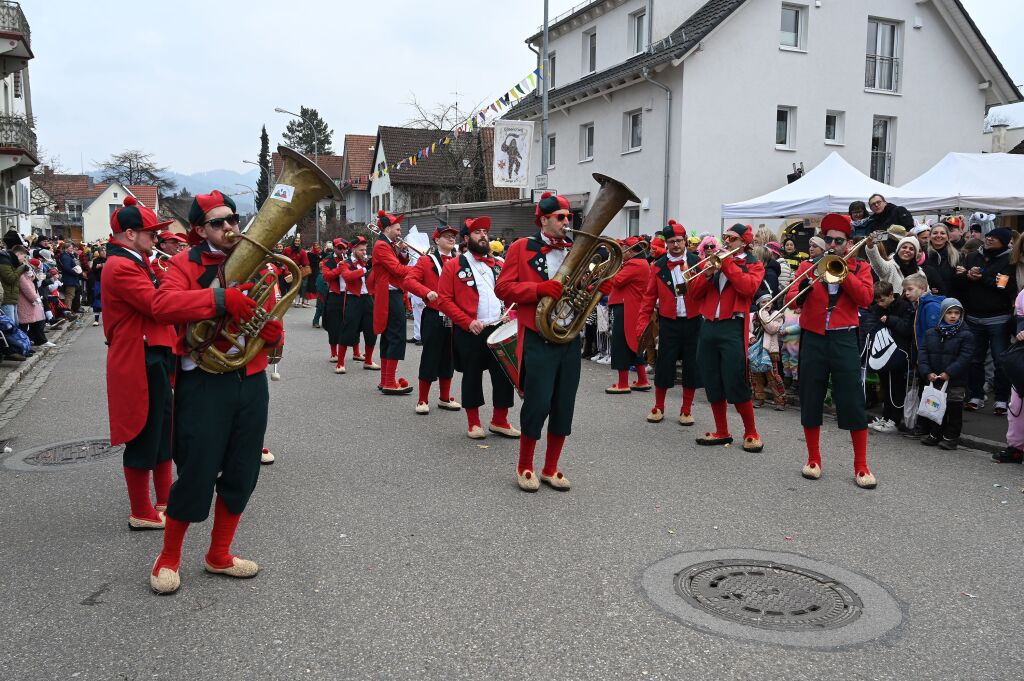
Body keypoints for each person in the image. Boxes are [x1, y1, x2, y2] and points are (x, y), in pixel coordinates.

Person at [148, 190, 279, 595]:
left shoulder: (258, 263)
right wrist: (220, 298)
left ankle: (219, 554)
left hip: (250, 379)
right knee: (198, 470)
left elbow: (268, 309)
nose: (229, 227)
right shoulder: (183, 263)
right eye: (219, 222)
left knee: (243, 470)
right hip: (204, 381)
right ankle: (168, 556)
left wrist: (272, 334)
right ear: (199, 230)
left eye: (233, 220)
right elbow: (162, 305)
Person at [100, 197, 180, 532]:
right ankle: (140, 510)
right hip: (139, 356)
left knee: (162, 431)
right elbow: (157, 305)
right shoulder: (121, 266)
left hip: (152, 353)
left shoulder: (138, 261)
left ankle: (163, 501)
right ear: (130, 234)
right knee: (143, 434)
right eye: (151, 232)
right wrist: (212, 297)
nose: (157, 238)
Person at [494, 192, 580, 492]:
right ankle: (525, 466)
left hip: (569, 337)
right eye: (561, 217)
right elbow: (502, 288)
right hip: (538, 336)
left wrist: (600, 284)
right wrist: (538, 289)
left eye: (568, 217)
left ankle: (551, 467)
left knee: (564, 404)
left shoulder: (576, 249)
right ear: (543, 219)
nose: (567, 221)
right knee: (537, 404)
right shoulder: (522, 247)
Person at [786, 213, 876, 488]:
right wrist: (808, 280)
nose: (833, 244)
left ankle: (861, 466)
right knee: (810, 395)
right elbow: (791, 301)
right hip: (813, 338)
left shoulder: (860, 267)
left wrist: (843, 271)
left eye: (839, 241)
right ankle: (813, 459)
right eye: (829, 240)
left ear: (848, 243)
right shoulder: (807, 265)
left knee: (851, 399)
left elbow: (865, 298)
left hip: (845, 338)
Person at [437, 216, 519, 438]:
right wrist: (467, 321)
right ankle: (473, 422)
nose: (483, 235)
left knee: (504, 375)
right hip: (471, 329)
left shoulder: (499, 264)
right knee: (472, 375)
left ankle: (499, 420)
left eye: (485, 232)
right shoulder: (453, 265)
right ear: (466, 238)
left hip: (499, 327)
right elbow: (443, 300)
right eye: (477, 232)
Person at [687, 223, 766, 452]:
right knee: (711, 378)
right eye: (725, 237)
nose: (726, 242)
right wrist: (708, 273)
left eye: (732, 238)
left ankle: (751, 432)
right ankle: (722, 431)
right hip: (709, 325)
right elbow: (694, 294)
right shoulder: (714, 262)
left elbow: (747, 288)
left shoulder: (753, 264)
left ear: (744, 242)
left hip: (733, 325)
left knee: (735, 379)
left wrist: (727, 264)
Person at [637, 221, 703, 425]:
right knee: (664, 365)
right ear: (667, 244)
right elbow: (648, 297)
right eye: (672, 242)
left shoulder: (697, 261)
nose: (676, 245)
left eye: (679, 241)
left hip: (693, 322)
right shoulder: (657, 266)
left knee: (692, 366)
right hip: (669, 322)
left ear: (685, 241)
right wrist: (641, 325)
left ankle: (686, 409)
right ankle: (659, 406)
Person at [955, 227, 1015, 415]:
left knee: (1000, 360)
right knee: (974, 359)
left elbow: (1003, 287)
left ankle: (1001, 400)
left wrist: (981, 279)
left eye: (994, 238)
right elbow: (959, 282)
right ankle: (976, 396)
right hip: (973, 316)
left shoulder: (1009, 260)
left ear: (1004, 242)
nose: (989, 239)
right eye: (988, 236)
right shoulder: (973, 256)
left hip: (999, 318)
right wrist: (966, 275)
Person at [404, 223, 461, 414]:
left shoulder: (461, 261)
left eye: (453, 236)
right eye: (447, 236)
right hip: (434, 315)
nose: (451, 239)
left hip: (454, 317)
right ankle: (422, 400)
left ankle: (445, 398)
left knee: (449, 358)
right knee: (430, 356)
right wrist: (426, 292)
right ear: (437, 240)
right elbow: (409, 281)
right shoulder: (426, 261)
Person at [918, 298, 974, 450]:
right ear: (942, 313)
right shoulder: (931, 333)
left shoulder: (966, 335)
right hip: (935, 378)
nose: (953, 316)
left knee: (954, 409)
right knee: (936, 407)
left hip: (955, 380)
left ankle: (951, 436)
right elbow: (923, 354)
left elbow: (965, 357)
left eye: (957, 313)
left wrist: (949, 372)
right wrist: (927, 372)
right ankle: (935, 433)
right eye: (949, 312)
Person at [371, 210, 414, 395]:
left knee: (389, 336)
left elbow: (397, 262)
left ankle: (385, 380)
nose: (399, 232)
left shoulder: (387, 244)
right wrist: (418, 267)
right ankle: (389, 381)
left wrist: (403, 251)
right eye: (397, 229)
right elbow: (397, 269)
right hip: (390, 293)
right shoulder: (382, 246)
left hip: (390, 293)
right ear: (387, 228)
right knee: (396, 336)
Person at [602, 235, 652, 394]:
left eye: (624, 249)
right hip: (630, 307)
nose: (621, 251)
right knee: (632, 345)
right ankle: (642, 380)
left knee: (620, 345)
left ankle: (623, 383)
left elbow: (616, 281)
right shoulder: (639, 263)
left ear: (631, 251)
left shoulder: (634, 264)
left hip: (627, 308)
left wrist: (610, 269)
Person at [864, 281, 914, 434]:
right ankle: (886, 417)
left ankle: (894, 420)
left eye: (882, 300)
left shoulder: (904, 307)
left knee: (896, 388)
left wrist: (890, 320)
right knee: (885, 386)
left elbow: (907, 329)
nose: (880, 304)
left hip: (899, 353)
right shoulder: (878, 308)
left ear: (891, 295)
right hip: (883, 352)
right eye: (877, 301)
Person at [336, 235, 379, 372]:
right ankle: (340, 363)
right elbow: (348, 277)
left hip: (367, 299)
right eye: (361, 250)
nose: (364, 252)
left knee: (371, 330)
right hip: (353, 298)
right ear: (353, 249)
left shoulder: (365, 264)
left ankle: (368, 361)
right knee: (348, 330)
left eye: (365, 249)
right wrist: (365, 270)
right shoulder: (345, 263)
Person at [750, 294, 786, 410]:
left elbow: (771, 329)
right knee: (756, 375)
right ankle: (759, 398)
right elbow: (745, 329)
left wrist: (763, 313)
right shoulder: (751, 316)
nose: (766, 304)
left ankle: (780, 400)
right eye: (763, 302)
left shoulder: (777, 315)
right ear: (758, 304)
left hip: (770, 349)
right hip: (755, 349)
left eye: (768, 302)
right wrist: (750, 337)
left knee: (773, 376)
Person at [320, 238, 349, 368]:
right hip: (335, 295)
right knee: (333, 325)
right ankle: (333, 353)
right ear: (335, 248)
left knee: (351, 323)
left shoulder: (350, 259)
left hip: (349, 295)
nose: (341, 250)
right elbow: (326, 276)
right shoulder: (328, 261)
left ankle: (356, 351)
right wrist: (339, 268)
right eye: (339, 248)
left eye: (343, 248)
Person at [923, 221, 959, 296]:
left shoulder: (957, 256)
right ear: (930, 236)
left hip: (950, 299)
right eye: (935, 233)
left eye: (942, 233)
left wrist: (964, 273)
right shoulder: (922, 255)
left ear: (947, 237)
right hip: (929, 299)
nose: (938, 235)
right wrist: (928, 289)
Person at [0, 238, 27, 325]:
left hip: (12, 298)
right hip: (6, 299)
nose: (25, 259)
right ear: (18, 254)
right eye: (24, 256)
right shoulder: (4, 261)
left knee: (15, 324)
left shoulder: (12, 262)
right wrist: (21, 268)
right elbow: (10, 278)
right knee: (10, 326)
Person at [282, 236, 309, 307]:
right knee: (286, 285)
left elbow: (305, 262)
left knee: (298, 286)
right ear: (293, 241)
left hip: (297, 270)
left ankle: (297, 301)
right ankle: (286, 299)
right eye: (296, 241)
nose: (297, 242)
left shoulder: (302, 252)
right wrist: (285, 268)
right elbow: (282, 259)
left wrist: (303, 267)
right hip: (287, 270)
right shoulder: (287, 249)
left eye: (298, 241)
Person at [57, 241, 83, 312]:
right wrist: (75, 272)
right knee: (70, 295)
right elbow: (67, 268)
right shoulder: (65, 257)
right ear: (66, 249)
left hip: (71, 279)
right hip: (69, 279)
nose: (72, 249)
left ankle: (69, 310)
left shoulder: (67, 256)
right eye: (70, 248)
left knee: (71, 295)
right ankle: (67, 311)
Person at [89, 246, 106, 326]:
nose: (103, 252)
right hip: (98, 282)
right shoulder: (96, 260)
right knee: (97, 300)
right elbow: (93, 270)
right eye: (102, 251)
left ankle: (108, 319)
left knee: (108, 301)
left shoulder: (110, 259)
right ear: (99, 253)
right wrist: (98, 266)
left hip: (108, 283)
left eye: (104, 251)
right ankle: (96, 320)